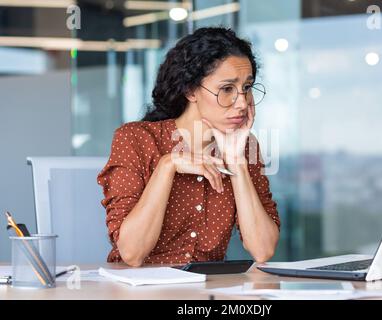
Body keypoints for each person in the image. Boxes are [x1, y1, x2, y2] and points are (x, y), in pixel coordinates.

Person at [97, 27, 280, 267]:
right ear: (190, 90)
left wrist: (237, 163)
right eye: (227, 89)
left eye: (246, 88)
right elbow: (132, 253)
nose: (242, 103)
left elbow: (263, 250)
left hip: (207, 294)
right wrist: (168, 165)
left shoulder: (245, 148)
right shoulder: (135, 139)